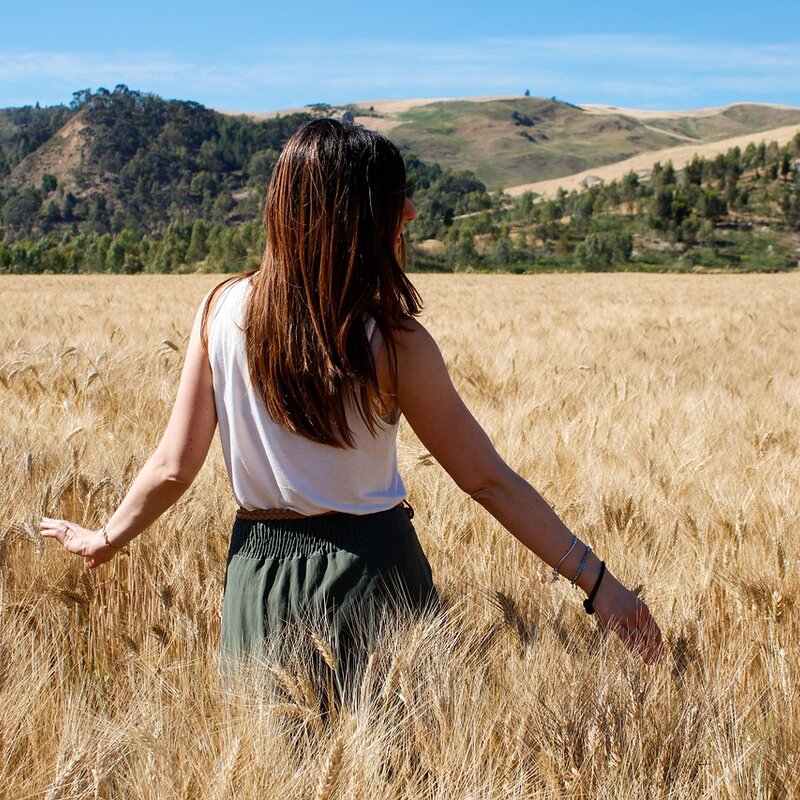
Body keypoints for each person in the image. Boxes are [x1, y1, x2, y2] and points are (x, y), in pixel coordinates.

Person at [40, 119, 662, 674]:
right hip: (375, 575)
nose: (413, 212)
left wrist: (107, 537)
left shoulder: (218, 309)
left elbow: (174, 467)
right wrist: (599, 583)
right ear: (357, 216)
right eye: (397, 198)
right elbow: (488, 482)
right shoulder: (394, 343)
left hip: (258, 580)